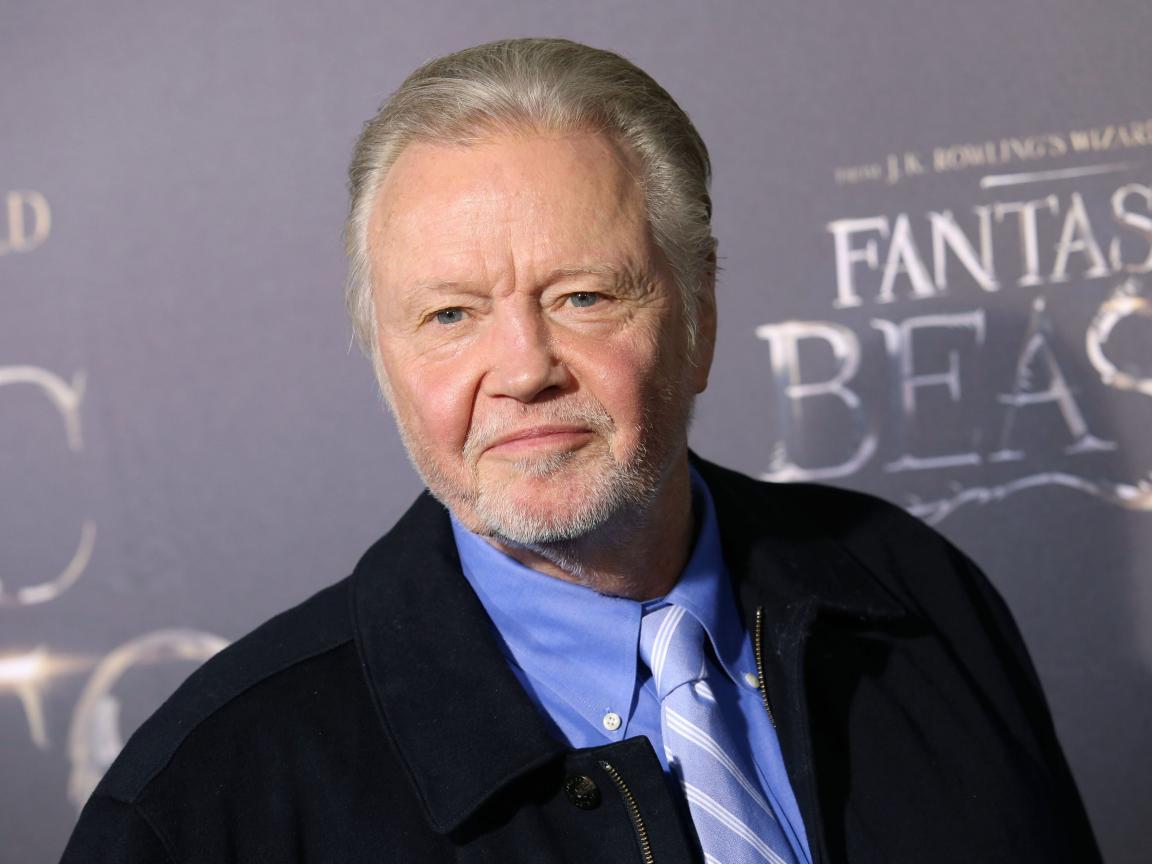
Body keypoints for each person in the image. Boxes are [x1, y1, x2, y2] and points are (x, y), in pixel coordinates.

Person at [62, 38, 1100, 863]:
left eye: (584, 296)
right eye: (451, 315)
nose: (523, 369)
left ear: (699, 317)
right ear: (384, 360)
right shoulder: (210, 801)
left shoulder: (917, 595)